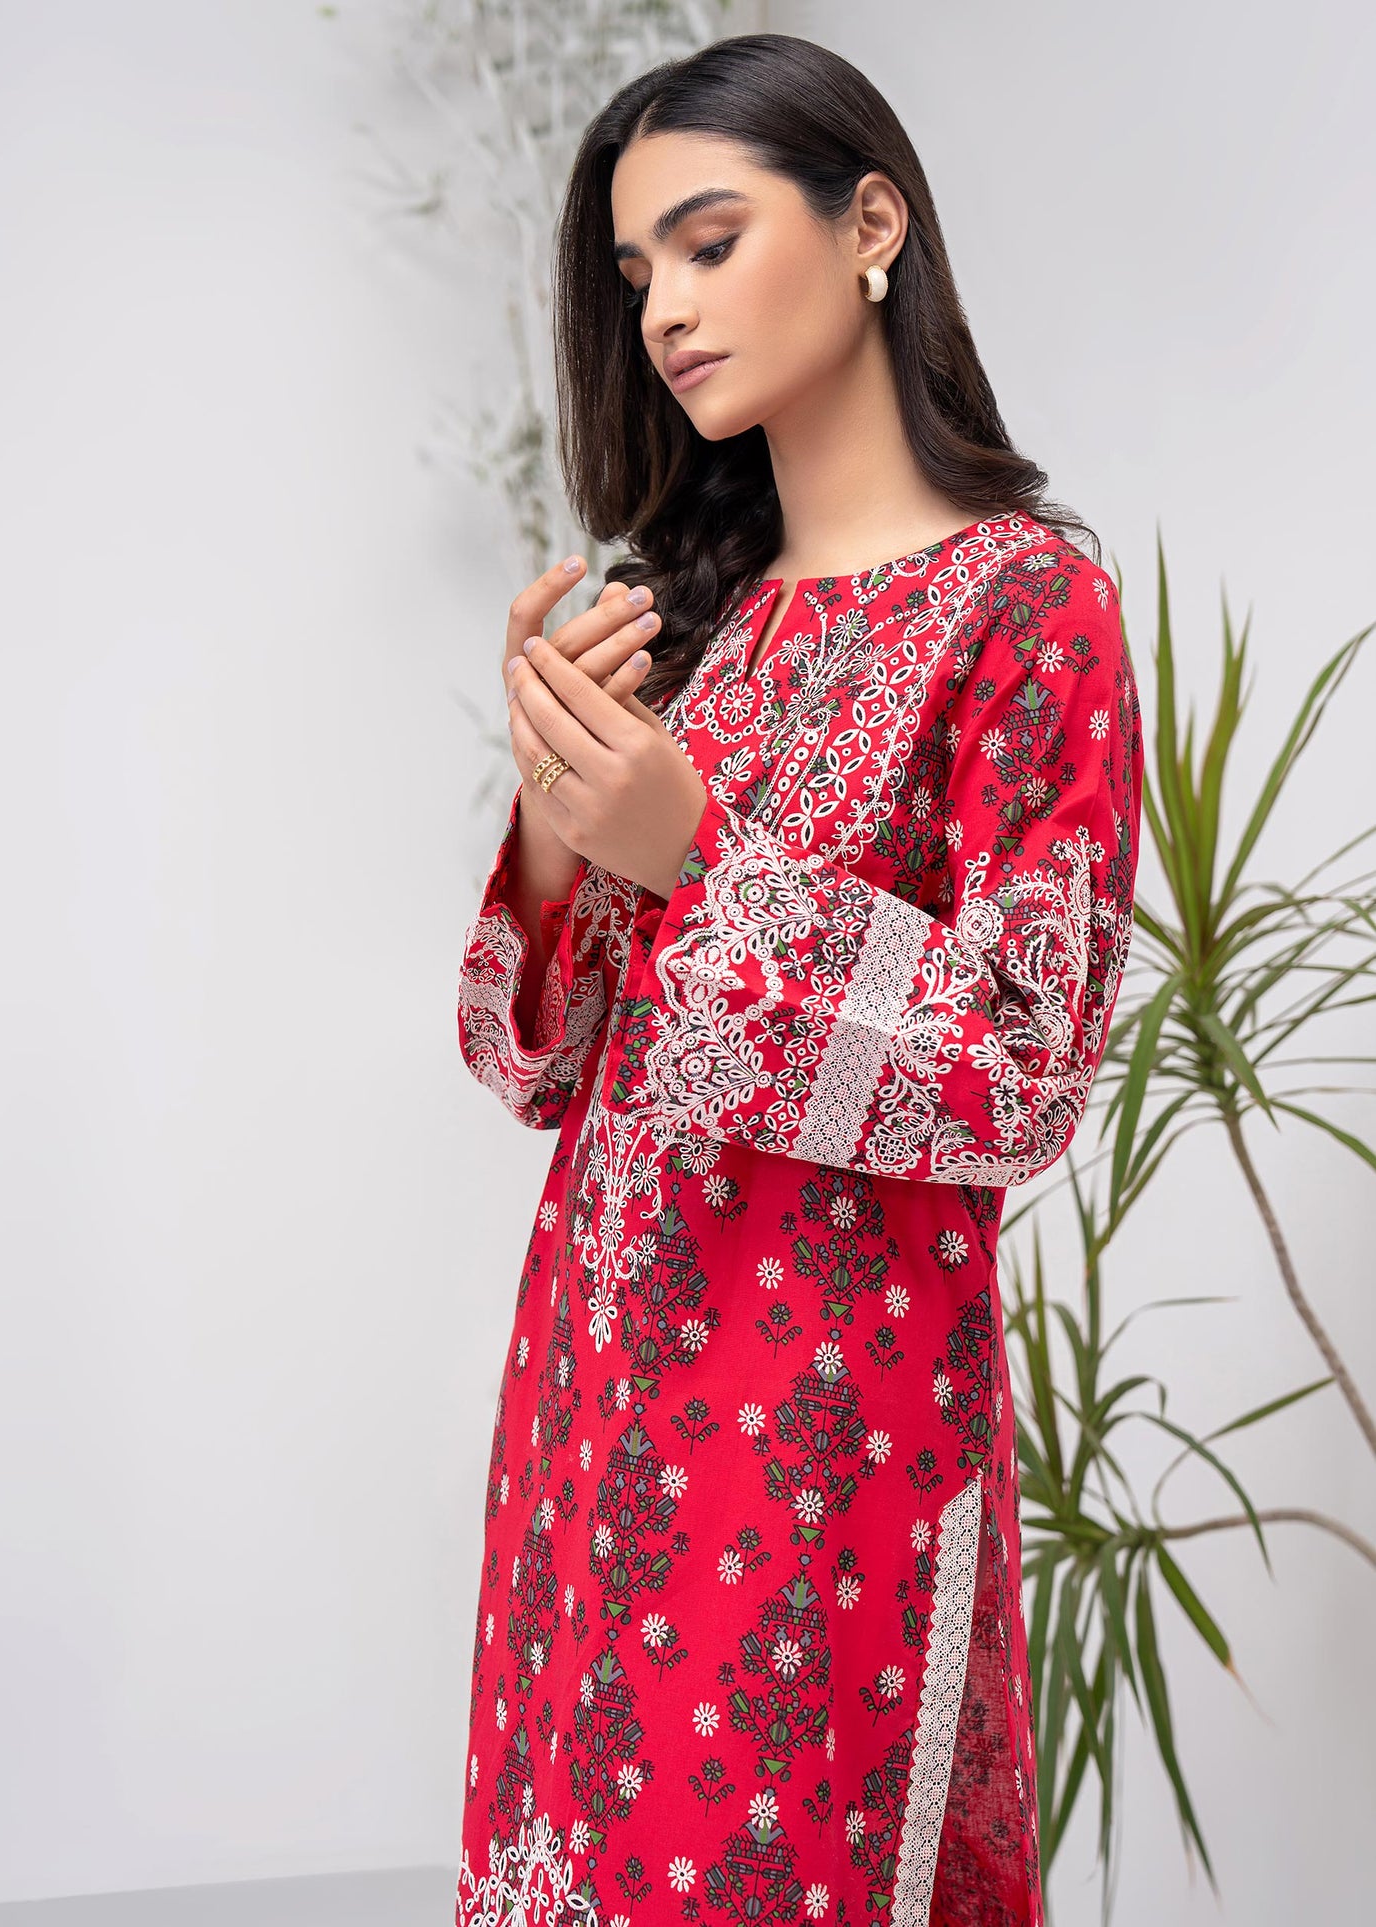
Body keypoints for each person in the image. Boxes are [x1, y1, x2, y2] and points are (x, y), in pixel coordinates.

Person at [454, 32, 1143, 1927]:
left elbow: (1022, 1070)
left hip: (822, 1427)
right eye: (634, 276)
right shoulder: (692, 617)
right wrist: (555, 828)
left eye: (705, 242)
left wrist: (696, 862)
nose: (665, 312)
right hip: (596, 1390)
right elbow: (534, 1069)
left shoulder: (1025, 606)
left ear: (870, 225)